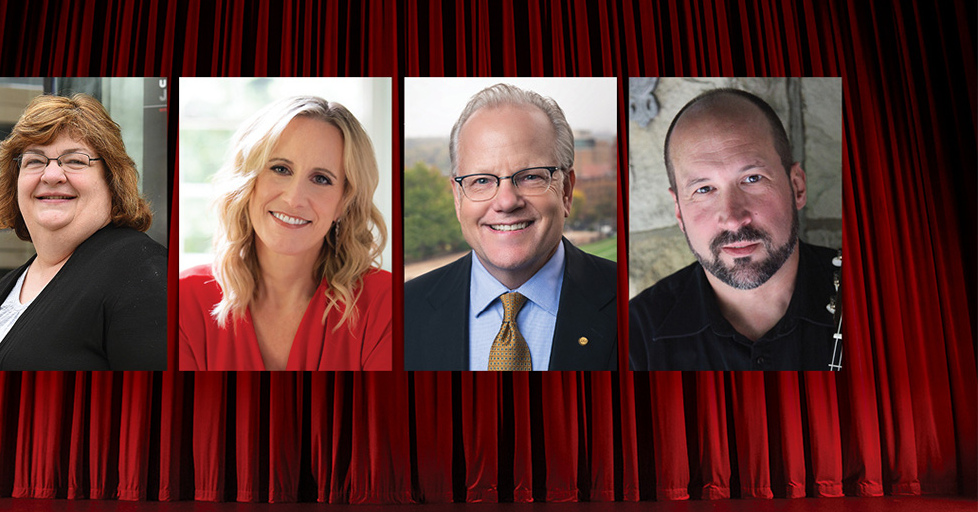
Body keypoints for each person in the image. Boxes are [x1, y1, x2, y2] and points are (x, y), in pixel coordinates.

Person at [404, 83, 618, 371]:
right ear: (457, 198)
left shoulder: (627, 304)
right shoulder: (404, 311)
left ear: (566, 191)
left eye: (530, 177)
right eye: (481, 180)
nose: (506, 202)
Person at [629, 88, 841, 371]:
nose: (732, 219)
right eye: (704, 189)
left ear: (797, 187)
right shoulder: (632, 339)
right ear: (679, 210)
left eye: (752, 178)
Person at [0, 94, 167, 371]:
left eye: (75, 161)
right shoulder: (13, 281)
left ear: (112, 180)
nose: (51, 175)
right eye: (34, 161)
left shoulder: (141, 270)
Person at [179, 96, 391, 371]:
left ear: (344, 202)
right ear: (248, 182)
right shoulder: (183, 299)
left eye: (321, 179)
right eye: (280, 169)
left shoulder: (388, 304)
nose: (294, 199)